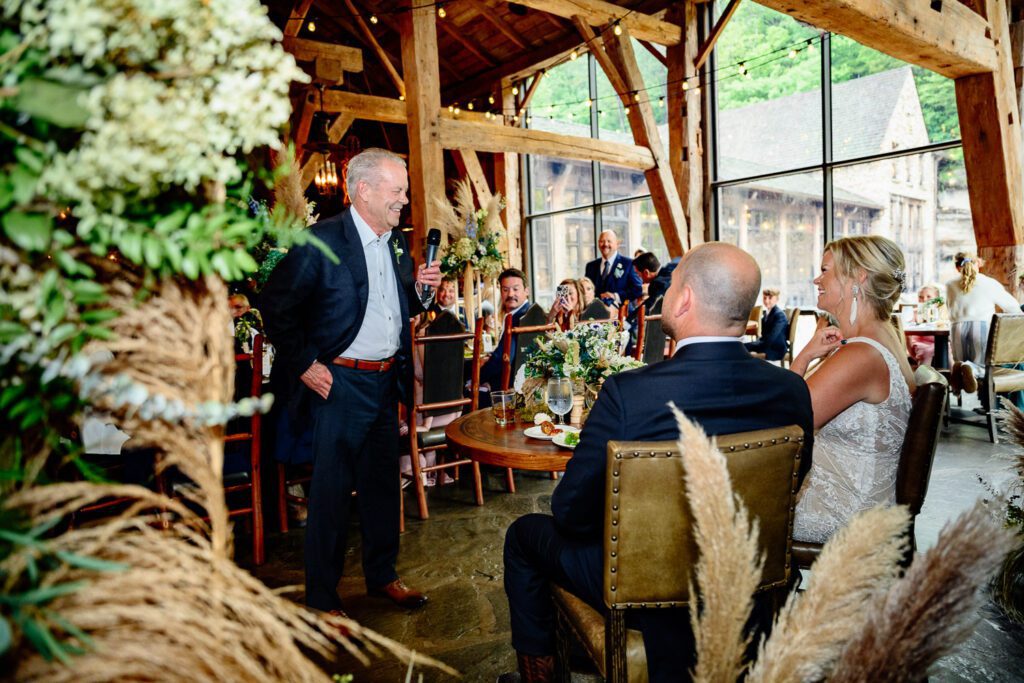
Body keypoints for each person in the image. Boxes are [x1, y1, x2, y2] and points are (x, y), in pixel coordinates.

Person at [502, 243, 815, 683]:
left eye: (670, 287)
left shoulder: (629, 395)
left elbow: (570, 513)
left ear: (684, 299)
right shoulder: (792, 392)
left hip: (644, 589)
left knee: (522, 536)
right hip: (744, 581)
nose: (663, 295)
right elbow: (788, 488)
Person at [261, 148, 440, 615]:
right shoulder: (319, 241)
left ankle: (383, 577)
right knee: (332, 497)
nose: (404, 199)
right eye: (396, 189)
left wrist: (419, 294)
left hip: (384, 385)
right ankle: (322, 601)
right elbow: (274, 306)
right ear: (363, 190)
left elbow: (393, 308)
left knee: (382, 489)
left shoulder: (396, 243)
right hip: (338, 385)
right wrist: (303, 363)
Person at [789, 235, 915, 545]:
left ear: (859, 276)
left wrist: (804, 358)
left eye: (826, 270)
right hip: (869, 503)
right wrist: (807, 355)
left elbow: (788, 423)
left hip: (845, 513)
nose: (817, 279)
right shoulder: (884, 340)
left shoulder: (861, 355)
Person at [945, 252, 1021, 403]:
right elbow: (1013, 308)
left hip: (956, 330)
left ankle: (959, 370)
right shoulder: (989, 282)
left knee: (961, 362)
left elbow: (949, 308)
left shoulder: (949, 284)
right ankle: (971, 369)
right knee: (984, 367)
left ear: (956, 267)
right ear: (978, 263)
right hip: (980, 329)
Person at [479, 268, 533, 391]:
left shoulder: (519, 318)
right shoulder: (529, 312)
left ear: (526, 291)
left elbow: (503, 358)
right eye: (505, 290)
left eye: (515, 289)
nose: (510, 294)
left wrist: (478, 378)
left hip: (511, 386)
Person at [583, 230, 643, 309]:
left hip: (622, 314)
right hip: (595, 313)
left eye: (609, 241)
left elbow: (638, 289)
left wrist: (616, 296)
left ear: (617, 244)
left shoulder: (628, 264)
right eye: (602, 241)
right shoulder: (591, 266)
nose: (605, 244)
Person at [906, 284, 946, 367]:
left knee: (946, 351)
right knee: (928, 351)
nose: (924, 300)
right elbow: (907, 335)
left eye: (929, 297)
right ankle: (923, 378)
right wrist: (912, 354)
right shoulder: (915, 313)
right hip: (920, 344)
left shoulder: (941, 313)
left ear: (937, 299)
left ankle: (953, 376)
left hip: (940, 342)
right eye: (921, 297)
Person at [744, 288, 788, 361]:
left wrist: (757, 347)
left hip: (775, 348)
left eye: (770, 298)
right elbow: (764, 336)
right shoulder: (768, 313)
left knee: (742, 349)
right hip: (767, 344)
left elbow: (771, 338)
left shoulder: (779, 315)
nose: (767, 301)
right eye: (765, 298)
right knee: (741, 347)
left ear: (777, 299)